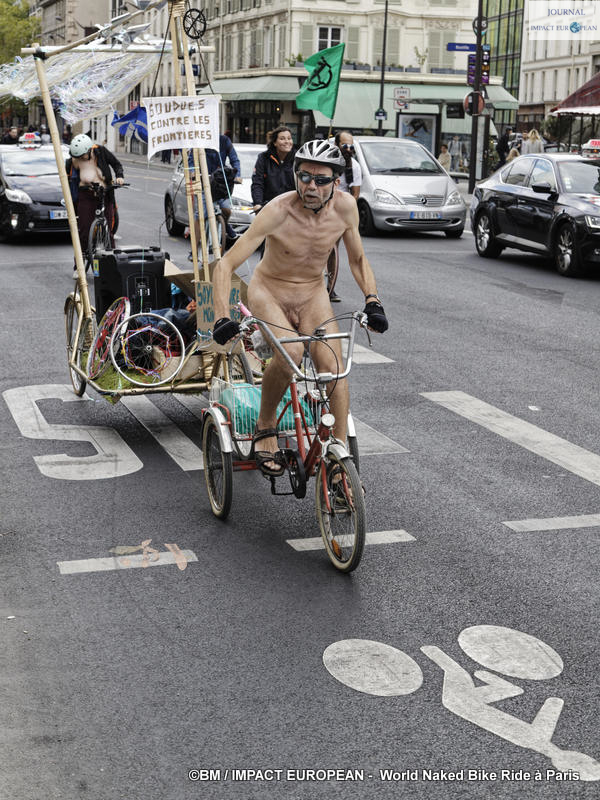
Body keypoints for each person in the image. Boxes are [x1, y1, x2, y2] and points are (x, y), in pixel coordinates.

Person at [211, 140, 388, 476]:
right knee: (290, 354)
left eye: (321, 179)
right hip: (269, 290)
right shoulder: (278, 211)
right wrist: (221, 316)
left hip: (312, 292)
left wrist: (373, 300)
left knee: (333, 366)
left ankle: (337, 456)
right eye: (304, 176)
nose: (311, 186)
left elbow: (358, 259)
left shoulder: (346, 209)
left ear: (336, 181)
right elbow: (226, 264)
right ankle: (265, 429)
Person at [65, 134, 124, 268]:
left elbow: (116, 164)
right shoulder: (73, 161)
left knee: (108, 231)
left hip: (105, 194)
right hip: (86, 195)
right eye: (77, 156)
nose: (80, 158)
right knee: (84, 231)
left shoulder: (101, 151)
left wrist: (119, 176)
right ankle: (79, 265)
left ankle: (113, 264)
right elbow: (67, 180)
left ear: (89, 149)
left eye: (82, 156)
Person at [188, 132, 241, 259]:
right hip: (203, 182)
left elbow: (234, 159)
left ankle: (225, 226)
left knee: (226, 210)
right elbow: (191, 161)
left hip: (220, 181)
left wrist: (237, 174)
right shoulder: (198, 142)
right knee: (201, 215)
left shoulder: (224, 141)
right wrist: (192, 172)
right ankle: (193, 251)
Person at [327, 131, 363, 302]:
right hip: (319, 210)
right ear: (336, 145)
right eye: (344, 145)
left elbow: (355, 194)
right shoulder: (326, 160)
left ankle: (330, 287)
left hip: (339, 214)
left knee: (332, 250)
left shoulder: (354, 166)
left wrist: (344, 211)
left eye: (351, 146)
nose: (348, 149)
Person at [251, 126, 296, 215]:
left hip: (292, 208)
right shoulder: (263, 158)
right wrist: (257, 203)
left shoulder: (298, 158)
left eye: (289, 138)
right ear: (275, 142)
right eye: (282, 139)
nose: (287, 142)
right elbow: (257, 182)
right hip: (269, 206)